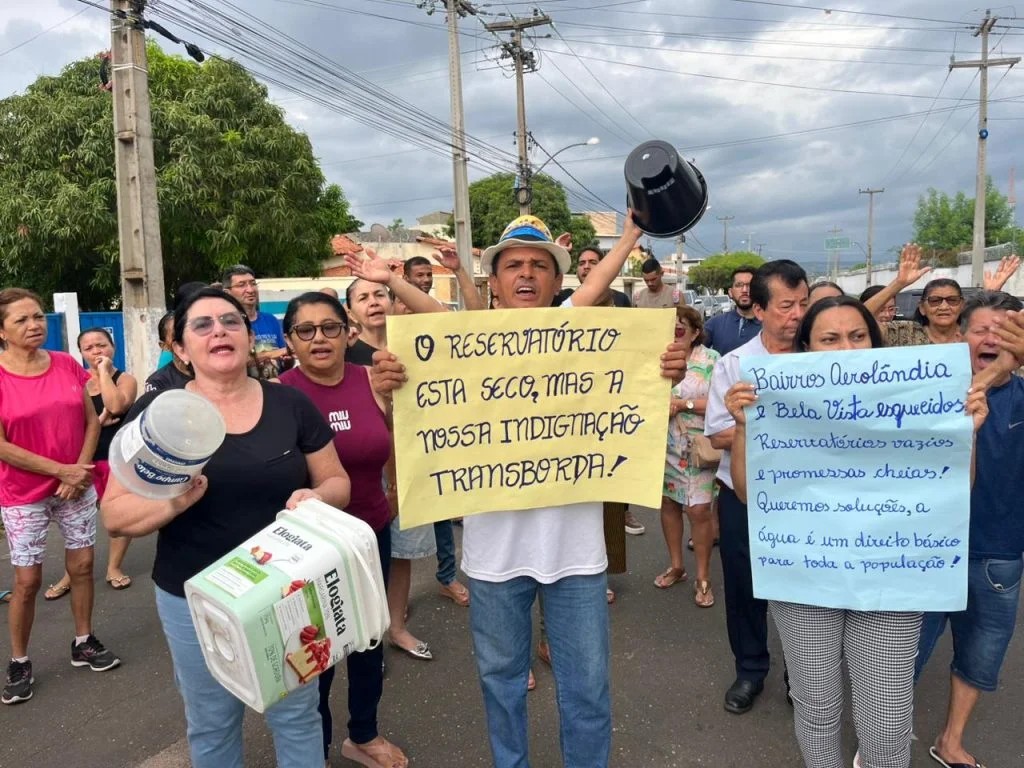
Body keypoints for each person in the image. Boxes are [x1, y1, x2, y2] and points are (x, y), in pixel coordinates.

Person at [368, 212, 688, 767]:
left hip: (577, 557)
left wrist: (660, 367)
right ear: (492, 282)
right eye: (513, 265)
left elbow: (598, 288)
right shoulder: (462, 343)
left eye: (539, 265)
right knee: (501, 685)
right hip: (494, 561)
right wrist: (391, 385)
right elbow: (431, 322)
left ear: (556, 281)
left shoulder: (579, 330)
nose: (525, 274)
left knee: (587, 690)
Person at [725, 295, 988, 768]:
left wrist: (963, 433)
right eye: (829, 338)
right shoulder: (776, 405)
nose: (845, 348)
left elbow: (955, 490)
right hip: (803, 577)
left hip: (891, 578)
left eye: (857, 335)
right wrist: (746, 428)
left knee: (886, 717)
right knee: (816, 704)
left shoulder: (917, 399)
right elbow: (747, 494)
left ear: (873, 340)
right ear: (806, 348)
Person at [102, 287, 351, 767]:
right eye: (202, 325)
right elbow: (115, 515)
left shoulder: (290, 404)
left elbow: (337, 481)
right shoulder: (158, 416)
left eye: (231, 321)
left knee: (297, 715)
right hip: (193, 597)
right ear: (180, 349)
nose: (219, 330)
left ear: (248, 336)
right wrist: (173, 503)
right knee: (213, 722)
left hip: (289, 591)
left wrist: (318, 497)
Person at [279, 292, 407, 768]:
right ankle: (313, 749)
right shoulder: (278, 397)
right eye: (305, 330)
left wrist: (396, 492)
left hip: (372, 534)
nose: (319, 339)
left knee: (369, 643)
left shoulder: (374, 380)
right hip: (308, 553)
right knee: (316, 658)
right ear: (289, 339)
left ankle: (363, 735)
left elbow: (404, 436)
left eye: (330, 327)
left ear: (348, 331)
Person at [915, 291, 1024, 768]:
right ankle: (881, 742)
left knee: (980, 659)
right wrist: (999, 368)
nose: (994, 339)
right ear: (959, 335)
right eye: (983, 329)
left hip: (999, 551)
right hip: (926, 551)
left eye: (1007, 332)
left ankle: (951, 740)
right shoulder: (927, 393)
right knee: (901, 659)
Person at [0, 289, 119, 706]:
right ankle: (19, 660)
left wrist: (80, 470)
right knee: (27, 581)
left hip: (76, 485)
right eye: (21, 320)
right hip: (24, 493)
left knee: (84, 565)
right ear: (2, 331)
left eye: (37, 316)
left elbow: (91, 420)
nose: (34, 324)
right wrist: (59, 471)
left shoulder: (66, 363)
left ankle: (83, 642)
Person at [705, 259, 809, 715]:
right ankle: (750, 670)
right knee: (745, 588)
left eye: (804, 303)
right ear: (761, 309)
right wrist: (760, 427)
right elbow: (716, 434)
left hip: (807, 497)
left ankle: (802, 676)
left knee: (803, 589)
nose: (798, 314)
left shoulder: (824, 360)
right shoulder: (735, 365)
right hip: (743, 495)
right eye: (787, 305)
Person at [342, 256, 449, 659]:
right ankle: (360, 640)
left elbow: (443, 317)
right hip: (364, 469)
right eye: (362, 296)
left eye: (380, 294)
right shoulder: (343, 354)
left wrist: (392, 277)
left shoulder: (417, 341)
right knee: (361, 557)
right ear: (350, 311)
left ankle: (397, 627)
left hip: (411, 462)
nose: (373, 301)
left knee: (402, 554)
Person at [401, 252, 476, 608]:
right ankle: (388, 598)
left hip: (441, 421)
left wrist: (460, 271)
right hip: (402, 428)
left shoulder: (441, 315)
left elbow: (476, 324)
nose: (425, 279)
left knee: (443, 503)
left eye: (429, 273)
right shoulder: (392, 318)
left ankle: (446, 575)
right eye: (418, 274)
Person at [45, 328, 138, 601]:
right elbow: (70, 422)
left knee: (118, 517)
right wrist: (99, 419)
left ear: (113, 347)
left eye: (102, 345)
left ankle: (113, 567)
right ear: (81, 353)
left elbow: (117, 405)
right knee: (75, 520)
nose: (96, 351)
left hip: (116, 458)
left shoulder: (125, 379)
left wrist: (105, 374)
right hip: (83, 460)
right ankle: (70, 574)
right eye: (89, 348)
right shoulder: (76, 382)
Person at [657, 306, 719, 608]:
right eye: (672, 325)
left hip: (699, 448)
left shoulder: (712, 361)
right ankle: (677, 566)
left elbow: (721, 403)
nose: (677, 329)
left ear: (696, 332)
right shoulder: (657, 357)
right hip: (664, 446)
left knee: (699, 510)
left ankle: (703, 576)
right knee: (669, 503)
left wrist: (683, 404)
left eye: (683, 326)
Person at [222, 264, 289, 378]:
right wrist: (273, 354)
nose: (250, 289)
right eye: (241, 285)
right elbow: (233, 362)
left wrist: (288, 360)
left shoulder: (270, 319)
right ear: (228, 293)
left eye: (253, 283)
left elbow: (284, 358)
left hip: (276, 387)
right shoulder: (225, 325)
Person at [703, 266, 761, 356]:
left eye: (749, 285)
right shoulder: (714, 324)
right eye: (739, 285)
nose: (744, 290)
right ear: (730, 292)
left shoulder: (770, 324)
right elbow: (695, 354)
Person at [555, 246, 632, 308]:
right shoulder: (565, 297)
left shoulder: (621, 299)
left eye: (592, 262)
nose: (586, 267)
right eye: (581, 263)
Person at [145, 311, 194, 392]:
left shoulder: (214, 370)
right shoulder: (158, 382)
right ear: (164, 346)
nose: (186, 338)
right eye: (177, 336)